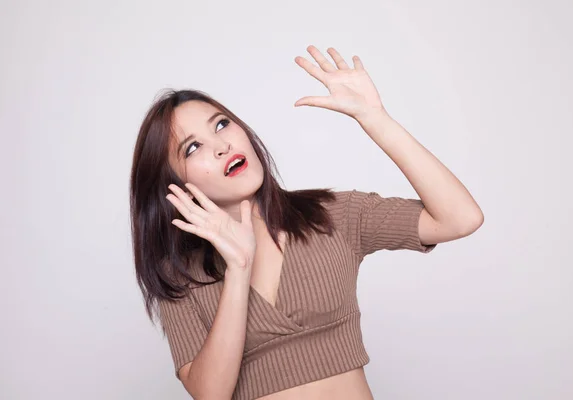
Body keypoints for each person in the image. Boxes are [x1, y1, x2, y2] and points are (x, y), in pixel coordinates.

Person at [129, 45, 484, 400]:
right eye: (193, 148)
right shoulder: (179, 274)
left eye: (222, 124)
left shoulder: (333, 216)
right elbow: (211, 394)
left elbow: (460, 218)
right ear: (173, 185)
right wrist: (238, 267)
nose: (221, 145)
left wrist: (375, 118)